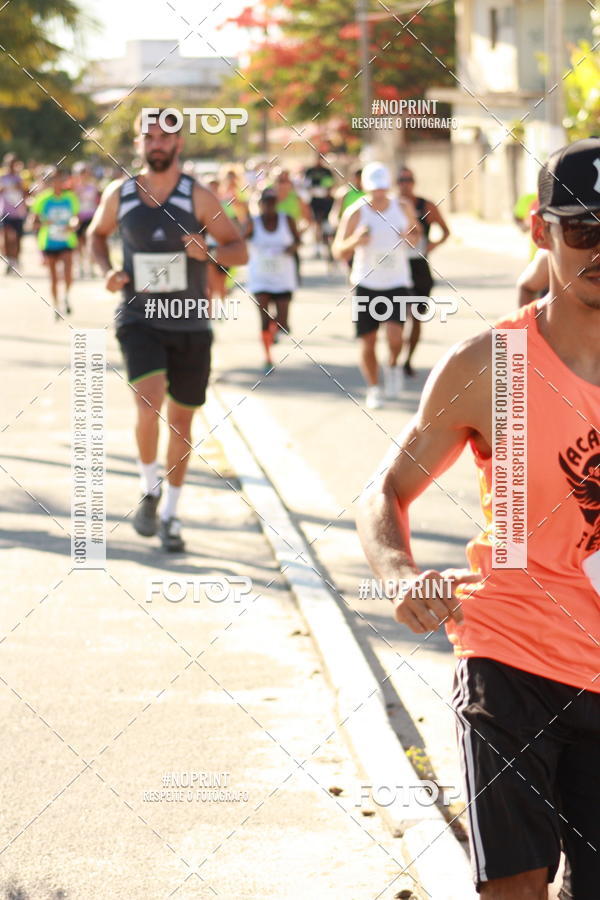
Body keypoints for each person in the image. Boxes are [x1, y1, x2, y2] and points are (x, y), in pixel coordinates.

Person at [356, 137, 600, 898]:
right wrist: (398, 571)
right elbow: (383, 492)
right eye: (583, 229)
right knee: (512, 889)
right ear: (541, 232)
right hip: (513, 654)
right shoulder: (487, 367)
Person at [88, 110, 247, 552]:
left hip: (191, 324)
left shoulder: (198, 196)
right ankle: (148, 489)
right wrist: (107, 270)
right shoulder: (120, 193)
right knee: (148, 399)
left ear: (178, 145)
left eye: (164, 137)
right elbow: (95, 235)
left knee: (181, 421)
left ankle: (172, 514)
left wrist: (209, 250)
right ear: (138, 143)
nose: (155, 143)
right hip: (140, 319)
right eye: (148, 136)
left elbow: (240, 250)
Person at [332, 161, 419, 409]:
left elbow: (416, 235)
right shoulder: (356, 212)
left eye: (382, 188)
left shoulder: (402, 207)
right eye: (374, 189)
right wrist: (355, 241)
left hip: (397, 281)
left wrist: (410, 237)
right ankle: (373, 387)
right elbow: (338, 250)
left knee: (395, 337)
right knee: (368, 340)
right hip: (366, 282)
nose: (379, 193)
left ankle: (392, 367)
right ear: (366, 187)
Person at [397, 166, 450, 376]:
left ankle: (407, 360)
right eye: (401, 180)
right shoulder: (391, 206)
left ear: (414, 182)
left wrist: (431, 246)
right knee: (398, 317)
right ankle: (395, 355)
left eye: (408, 180)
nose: (405, 184)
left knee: (416, 316)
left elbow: (446, 231)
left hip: (419, 266)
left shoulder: (425, 205)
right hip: (398, 268)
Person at [245, 187, 300, 373]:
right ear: (260, 205)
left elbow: (298, 241)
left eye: (272, 203)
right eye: (266, 203)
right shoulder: (253, 223)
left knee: (283, 321)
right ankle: (267, 357)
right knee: (263, 317)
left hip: (283, 277)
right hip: (260, 278)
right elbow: (239, 239)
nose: (269, 206)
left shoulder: (287, 220)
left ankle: (276, 329)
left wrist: (289, 249)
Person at [31, 167, 79, 320]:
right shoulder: (42, 199)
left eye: (59, 179)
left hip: (67, 240)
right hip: (49, 242)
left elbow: (75, 217)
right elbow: (34, 221)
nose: (57, 182)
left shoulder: (70, 197)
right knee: (53, 276)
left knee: (68, 272)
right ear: (49, 181)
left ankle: (66, 296)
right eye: (53, 179)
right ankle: (56, 305)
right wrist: (45, 222)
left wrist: (72, 224)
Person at [0, 153, 29, 274]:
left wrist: (21, 188)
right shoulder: (2, 178)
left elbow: (27, 193)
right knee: (6, 236)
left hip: (18, 213)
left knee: (17, 238)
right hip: (5, 212)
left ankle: (16, 259)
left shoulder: (20, 178)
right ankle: (9, 259)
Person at [303, 151, 335, 258]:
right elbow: (306, 185)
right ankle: (317, 248)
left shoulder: (327, 172)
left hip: (325, 202)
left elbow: (330, 186)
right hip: (314, 201)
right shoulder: (309, 171)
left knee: (326, 224)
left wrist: (325, 192)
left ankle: (328, 248)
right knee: (316, 224)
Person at [72, 162, 100, 278]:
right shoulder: (75, 189)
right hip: (79, 218)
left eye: (85, 173)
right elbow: (73, 204)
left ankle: (91, 268)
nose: (83, 176)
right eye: (81, 174)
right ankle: (80, 267)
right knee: (79, 244)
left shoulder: (93, 187)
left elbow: (97, 202)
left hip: (91, 217)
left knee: (90, 243)